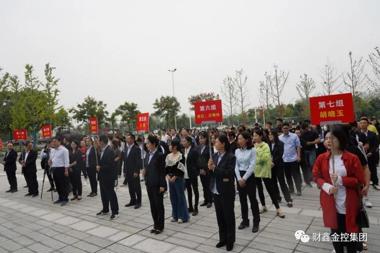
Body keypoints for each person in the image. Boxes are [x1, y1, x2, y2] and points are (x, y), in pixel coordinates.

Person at [313, 125, 365, 253]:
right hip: (330, 203)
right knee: (336, 236)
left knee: (350, 238)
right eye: (326, 138)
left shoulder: (352, 158)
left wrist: (342, 180)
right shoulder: (322, 158)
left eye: (333, 138)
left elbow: (360, 181)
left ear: (341, 140)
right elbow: (316, 175)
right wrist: (326, 186)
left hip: (349, 204)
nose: (329, 141)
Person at [208, 135, 236, 251]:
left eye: (218, 141)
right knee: (220, 217)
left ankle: (230, 240)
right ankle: (222, 238)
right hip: (216, 190)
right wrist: (209, 168)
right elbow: (212, 174)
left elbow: (229, 173)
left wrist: (215, 168)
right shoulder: (213, 156)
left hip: (226, 191)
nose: (215, 143)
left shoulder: (231, 157)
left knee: (228, 216)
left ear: (223, 143)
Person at [254, 129, 285, 218]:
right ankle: (263, 206)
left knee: (270, 190)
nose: (254, 137)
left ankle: (278, 209)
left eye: (256, 135)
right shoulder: (253, 145)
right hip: (256, 171)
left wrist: (257, 152)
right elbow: (253, 159)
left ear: (260, 136)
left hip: (264, 171)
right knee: (259, 190)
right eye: (253, 135)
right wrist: (256, 155)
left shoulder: (265, 145)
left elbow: (265, 158)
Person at [235, 131, 260, 233]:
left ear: (246, 140)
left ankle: (256, 221)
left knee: (252, 199)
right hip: (239, 176)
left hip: (249, 177)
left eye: (241, 138)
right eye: (238, 139)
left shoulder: (253, 150)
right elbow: (235, 166)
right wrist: (238, 178)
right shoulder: (236, 151)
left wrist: (244, 178)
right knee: (242, 200)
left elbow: (252, 165)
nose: (239, 140)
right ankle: (245, 220)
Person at [143, 135, 167, 234]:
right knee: (153, 205)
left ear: (153, 144)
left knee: (159, 205)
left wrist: (162, 185)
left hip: (157, 184)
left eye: (148, 143)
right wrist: (145, 172)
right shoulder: (148, 154)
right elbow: (148, 167)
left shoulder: (160, 155)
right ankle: (155, 224)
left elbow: (162, 172)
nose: (147, 145)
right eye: (146, 143)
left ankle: (160, 226)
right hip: (149, 183)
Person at [165, 140, 190, 223]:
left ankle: (182, 216)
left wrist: (175, 176)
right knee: (173, 197)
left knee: (180, 197)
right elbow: (166, 168)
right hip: (170, 179)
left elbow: (181, 169)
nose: (169, 146)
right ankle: (174, 215)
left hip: (178, 178)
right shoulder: (168, 156)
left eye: (170, 145)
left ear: (175, 146)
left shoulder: (180, 156)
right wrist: (168, 176)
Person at [96, 135, 119, 219]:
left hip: (108, 177)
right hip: (102, 176)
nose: (97, 142)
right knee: (103, 194)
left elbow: (111, 166)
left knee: (111, 194)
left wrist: (100, 167)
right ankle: (105, 209)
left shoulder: (109, 151)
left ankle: (115, 211)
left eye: (98, 140)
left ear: (102, 141)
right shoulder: (102, 150)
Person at [268, 130, 293, 207]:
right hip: (271, 167)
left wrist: (273, 162)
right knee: (273, 183)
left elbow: (280, 155)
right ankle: (277, 197)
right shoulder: (267, 144)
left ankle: (288, 199)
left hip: (278, 166)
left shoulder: (280, 144)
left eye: (271, 135)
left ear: (275, 135)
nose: (270, 136)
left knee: (282, 182)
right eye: (269, 135)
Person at [279, 123, 303, 196]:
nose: (285, 129)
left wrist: (298, 156)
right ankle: (291, 189)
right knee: (288, 176)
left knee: (295, 175)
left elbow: (298, 146)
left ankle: (299, 190)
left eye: (286, 128)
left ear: (289, 128)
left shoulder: (294, 136)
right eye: (284, 128)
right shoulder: (280, 137)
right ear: (282, 129)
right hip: (284, 160)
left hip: (293, 159)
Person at [359, 116, 380, 190]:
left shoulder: (372, 134)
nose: (362, 124)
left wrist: (371, 152)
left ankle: (375, 183)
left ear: (368, 124)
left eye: (364, 123)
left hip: (371, 154)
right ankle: (363, 184)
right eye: (361, 123)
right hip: (360, 155)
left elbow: (376, 144)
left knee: (373, 169)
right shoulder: (356, 134)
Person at [123, 133, 142, 209]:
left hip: (134, 171)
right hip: (128, 171)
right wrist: (124, 170)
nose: (126, 140)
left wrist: (136, 171)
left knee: (136, 186)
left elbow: (138, 161)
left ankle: (139, 201)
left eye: (128, 138)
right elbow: (125, 160)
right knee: (130, 187)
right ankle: (132, 200)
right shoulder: (127, 148)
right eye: (126, 138)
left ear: (132, 139)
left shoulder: (136, 148)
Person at [182, 136, 200, 216]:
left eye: (184, 141)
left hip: (192, 174)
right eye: (182, 141)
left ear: (189, 142)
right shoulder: (183, 150)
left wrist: (197, 171)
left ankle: (196, 207)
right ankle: (190, 207)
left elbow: (198, 162)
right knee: (189, 191)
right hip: (185, 174)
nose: (183, 143)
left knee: (195, 190)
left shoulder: (194, 150)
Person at [49, 136, 70, 205]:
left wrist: (66, 170)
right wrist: (50, 162)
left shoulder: (64, 150)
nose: (54, 143)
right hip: (54, 169)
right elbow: (52, 159)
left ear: (59, 142)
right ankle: (60, 198)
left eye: (55, 141)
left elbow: (67, 161)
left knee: (63, 185)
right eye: (53, 142)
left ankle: (65, 199)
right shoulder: (52, 150)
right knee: (57, 185)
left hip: (61, 169)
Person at [197, 131, 213, 208]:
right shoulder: (198, 147)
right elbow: (197, 159)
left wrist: (205, 169)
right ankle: (205, 200)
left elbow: (211, 159)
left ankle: (210, 200)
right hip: (201, 170)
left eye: (202, 138)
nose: (200, 140)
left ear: (206, 139)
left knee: (208, 185)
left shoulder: (209, 148)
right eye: (199, 138)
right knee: (203, 186)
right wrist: (200, 169)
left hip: (208, 170)